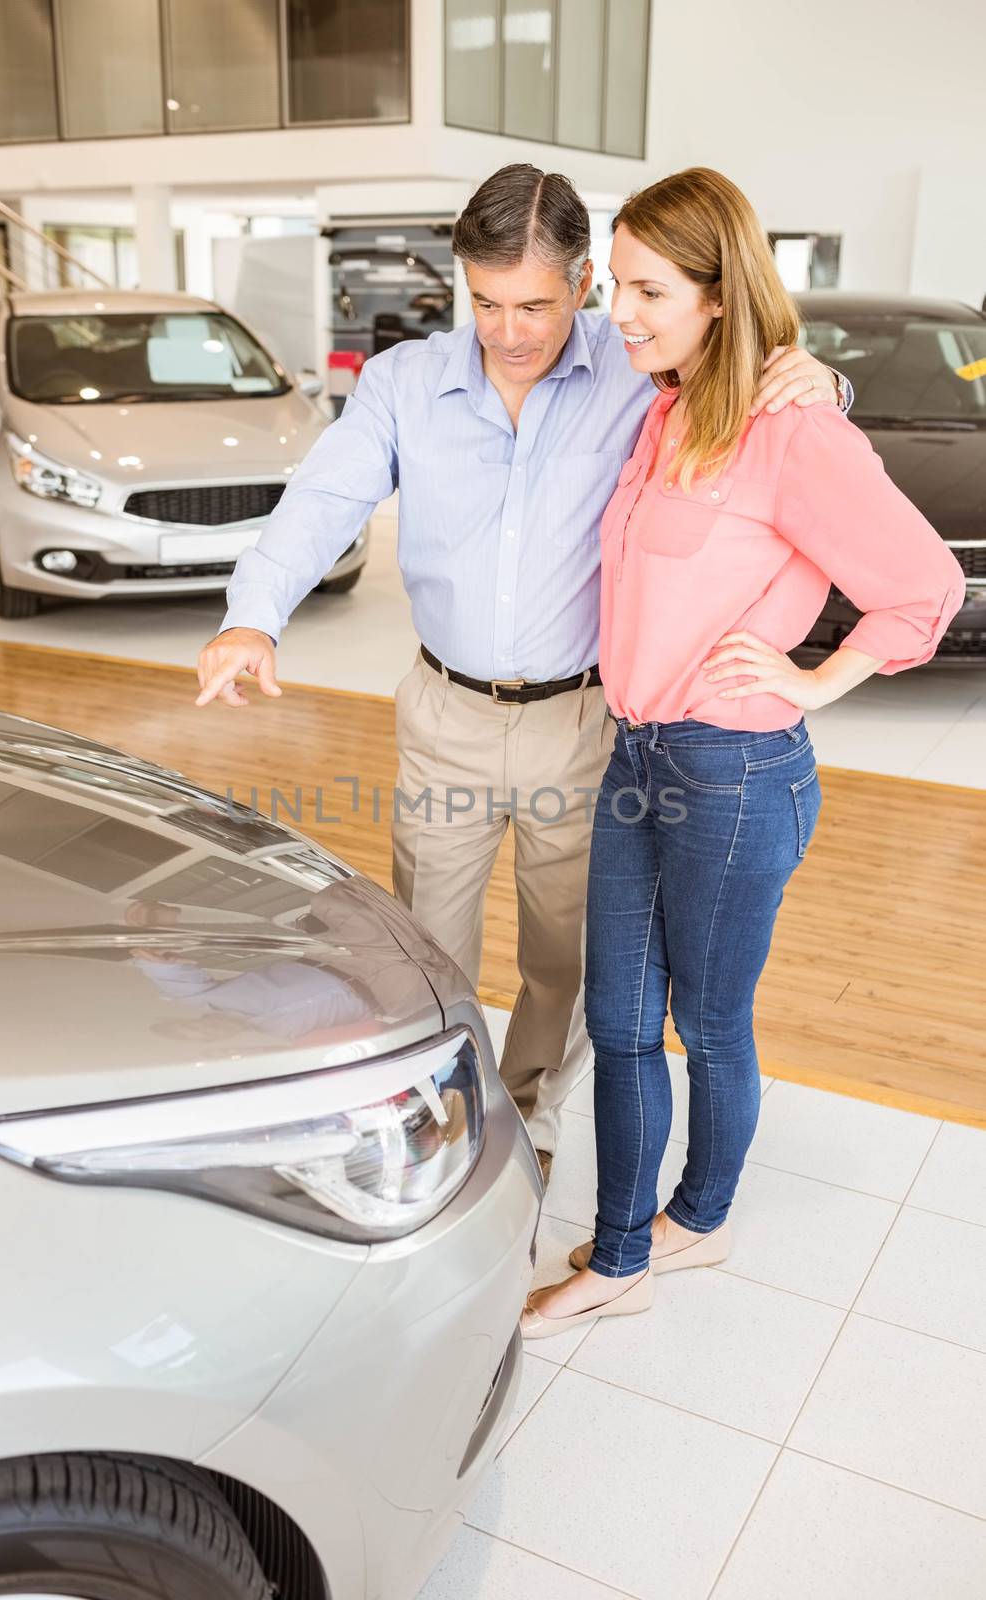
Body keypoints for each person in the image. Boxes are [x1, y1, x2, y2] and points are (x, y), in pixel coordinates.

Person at [194, 164, 845, 1182]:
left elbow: (761, 396)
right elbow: (321, 501)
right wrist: (252, 619)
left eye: (534, 303)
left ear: (583, 281)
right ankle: (437, 1121)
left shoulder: (638, 369)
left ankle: (530, 1118)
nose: (508, 329)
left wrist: (821, 378)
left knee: (564, 957)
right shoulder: (404, 382)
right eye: (486, 301)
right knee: (424, 949)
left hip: (584, 722)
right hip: (443, 712)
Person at [519, 167, 966, 1337]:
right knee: (618, 1018)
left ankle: (698, 1221)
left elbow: (923, 587)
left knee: (707, 1025)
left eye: (647, 289)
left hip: (732, 772)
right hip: (635, 755)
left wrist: (814, 679)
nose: (617, 309)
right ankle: (619, 1257)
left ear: (719, 295)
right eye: (613, 284)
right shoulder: (664, 408)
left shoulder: (790, 428)